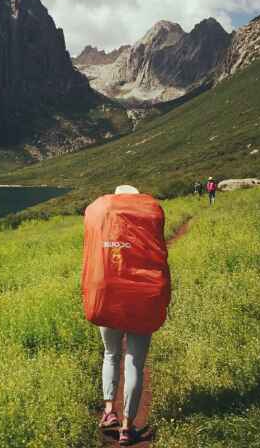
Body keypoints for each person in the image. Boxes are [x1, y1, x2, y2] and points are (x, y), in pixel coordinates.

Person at [84, 184, 172, 446]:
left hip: (107, 294)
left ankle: (109, 410)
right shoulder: (147, 217)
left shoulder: (102, 215)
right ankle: (127, 427)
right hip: (142, 296)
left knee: (111, 354)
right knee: (134, 361)